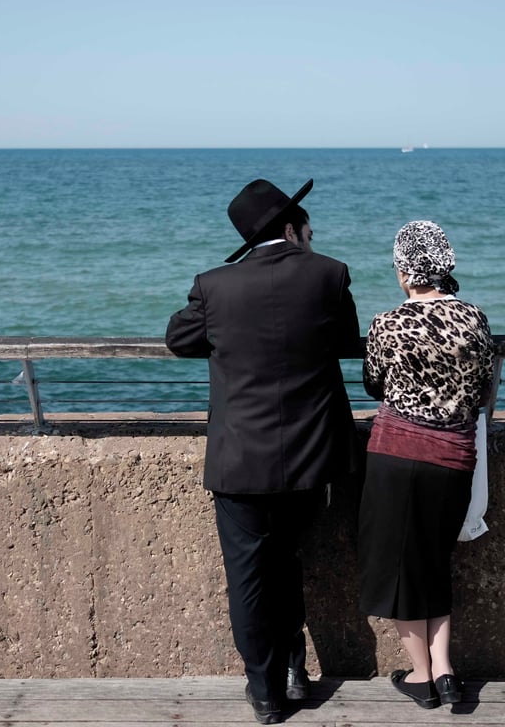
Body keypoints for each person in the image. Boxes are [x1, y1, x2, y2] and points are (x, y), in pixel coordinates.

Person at [166, 178, 360, 724]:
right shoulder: (329, 274)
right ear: (291, 229)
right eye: (308, 227)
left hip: (239, 460)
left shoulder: (214, 285)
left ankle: (267, 692)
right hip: (311, 456)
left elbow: (178, 339)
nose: (313, 234)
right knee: (289, 562)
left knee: (250, 577)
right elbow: (346, 340)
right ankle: (297, 673)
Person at [357, 220, 496, 710]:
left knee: (397, 569)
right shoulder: (475, 320)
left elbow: (374, 384)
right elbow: (481, 388)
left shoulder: (386, 324)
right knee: (435, 562)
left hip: (395, 457)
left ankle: (421, 676)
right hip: (454, 459)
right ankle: (447, 671)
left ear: (403, 271)